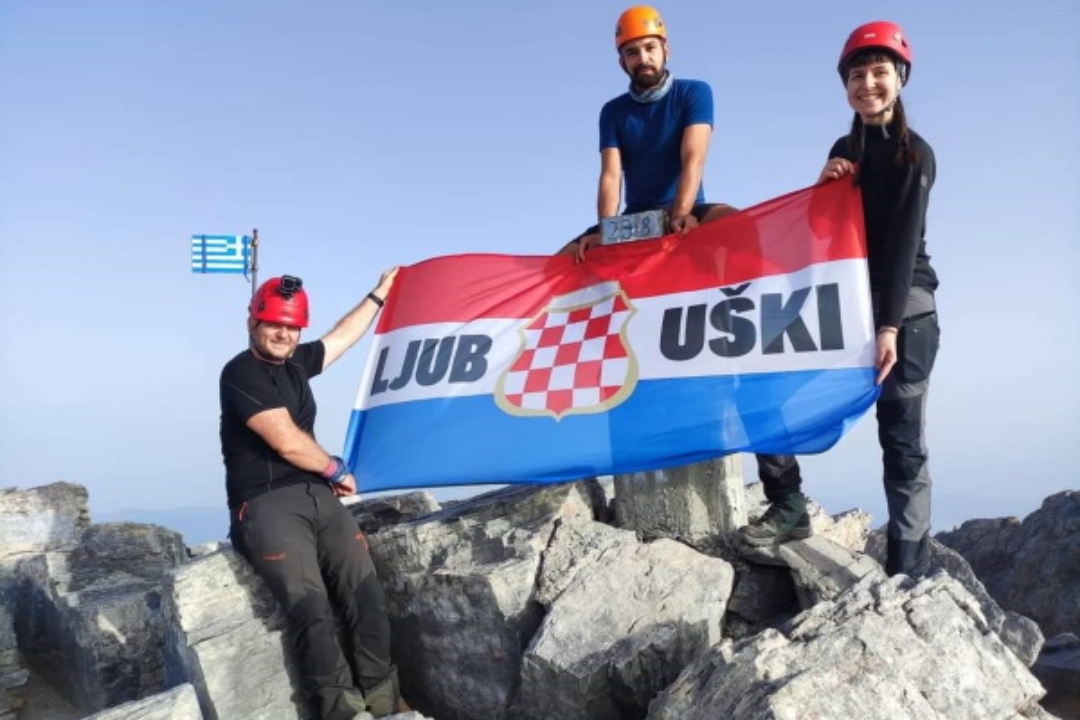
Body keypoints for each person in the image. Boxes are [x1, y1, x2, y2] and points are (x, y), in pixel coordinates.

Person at [740, 21, 941, 579]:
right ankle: (787, 504)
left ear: (898, 79)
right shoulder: (843, 148)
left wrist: (889, 327)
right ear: (845, 85)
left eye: (880, 72)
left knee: (901, 444)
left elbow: (901, 245)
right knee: (764, 386)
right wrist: (823, 189)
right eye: (857, 75)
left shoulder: (915, 156)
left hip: (906, 314)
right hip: (842, 308)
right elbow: (819, 238)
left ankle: (908, 572)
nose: (868, 84)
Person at [219, 270, 406, 718]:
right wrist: (334, 467)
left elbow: (341, 338)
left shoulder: (296, 363)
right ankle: (342, 711)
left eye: (292, 326)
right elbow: (284, 439)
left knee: (365, 594)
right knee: (313, 610)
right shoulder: (240, 372)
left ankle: (383, 699)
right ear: (253, 324)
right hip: (265, 504)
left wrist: (379, 295)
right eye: (274, 324)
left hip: (318, 496)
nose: (284, 333)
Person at [555, 5, 735, 261]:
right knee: (562, 262)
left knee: (735, 223)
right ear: (622, 62)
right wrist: (608, 233)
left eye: (650, 48)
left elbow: (693, 159)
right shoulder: (612, 112)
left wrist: (682, 215)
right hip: (636, 222)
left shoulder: (694, 93)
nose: (643, 58)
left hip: (686, 207)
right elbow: (610, 176)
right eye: (632, 52)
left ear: (666, 51)